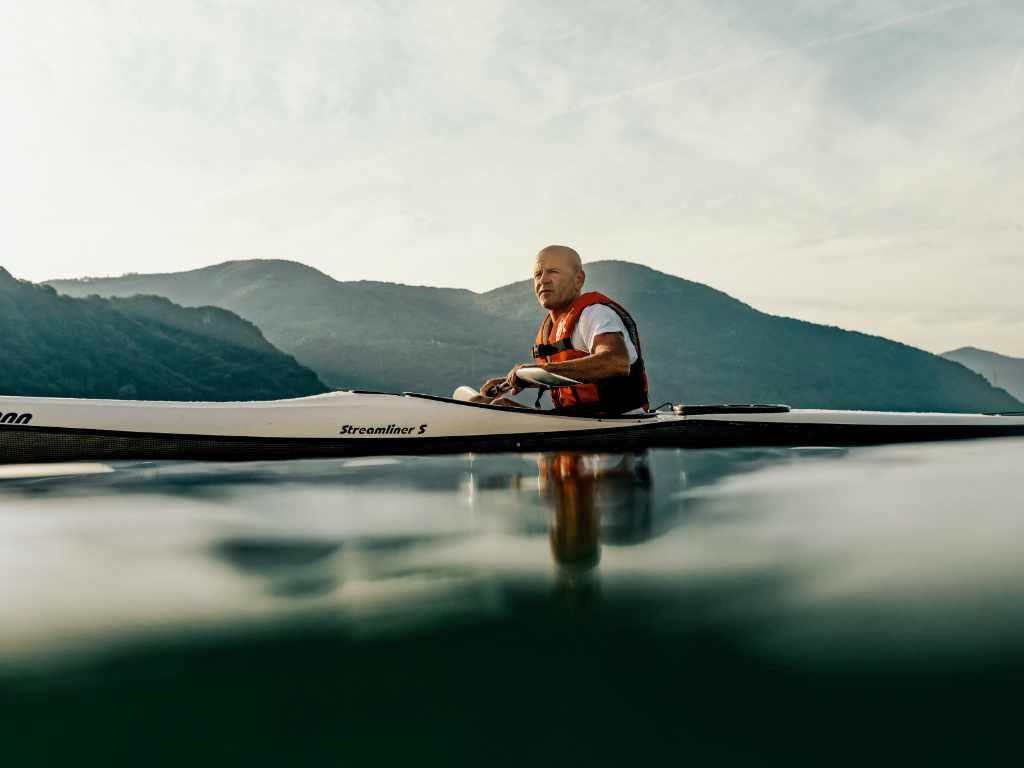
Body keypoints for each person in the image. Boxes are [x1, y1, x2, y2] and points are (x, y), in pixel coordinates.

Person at [478, 245, 649, 416]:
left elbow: (615, 362)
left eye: (553, 271)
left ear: (578, 280)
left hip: (615, 419)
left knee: (497, 407)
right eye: (538, 274)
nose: (543, 280)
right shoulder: (552, 327)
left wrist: (538, 372)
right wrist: (516, 381)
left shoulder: (595, 314)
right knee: (485, 403)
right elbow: (564, 374)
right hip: (577, 418)